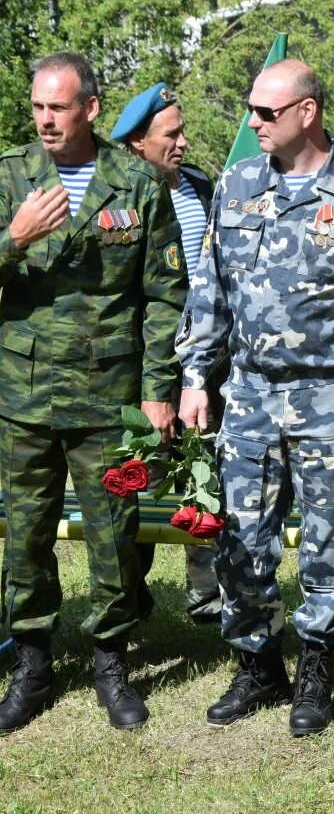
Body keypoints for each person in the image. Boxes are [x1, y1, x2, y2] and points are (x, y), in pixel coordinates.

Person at [177, 59, 334, 736]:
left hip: (333, 397)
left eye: (265, 112)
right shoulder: (237, 181)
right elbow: (211, 289)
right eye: (252, 110)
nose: (252, 122)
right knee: (241, 538)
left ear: (306, 113)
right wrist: (197, 374)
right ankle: (257, 663)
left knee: (332, 541)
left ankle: (317, 665)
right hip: (250, 395)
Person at [0, 53, 187, 733]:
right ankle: (33, 661)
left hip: (109, 398)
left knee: (113, 535)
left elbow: (166, 297)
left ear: (91, 107)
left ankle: (111, 660)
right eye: (38, 107)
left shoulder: (135, 181)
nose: (47, 120)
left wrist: (158, 392)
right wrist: (14, 239)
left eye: (59, 107)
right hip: (23, 396)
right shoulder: (9, 177)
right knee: (25, 537)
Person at [110, 81, 222, 625]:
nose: (181, 142)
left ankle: (205, 588)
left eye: (182, 131)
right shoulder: (119, 197)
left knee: (207, 471)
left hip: (204, 358)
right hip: (143, 360)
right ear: (136, 142)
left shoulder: (199, 183)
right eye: (169, 134)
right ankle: (132, 593)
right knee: (141, 476)